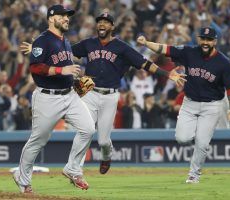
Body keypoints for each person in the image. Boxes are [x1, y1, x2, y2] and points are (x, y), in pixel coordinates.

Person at [20, 12, 186, 175]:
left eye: (106, 22)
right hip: (89, 91)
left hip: (110, 95)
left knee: (103, 141)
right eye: (100, 21)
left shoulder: (122, 47)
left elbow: (144, 63)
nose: (102, 24)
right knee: (85, 130)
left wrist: (167, 73)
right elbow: (65, 54)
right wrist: (38, 50)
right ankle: (75, 170)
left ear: (112, 26)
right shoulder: (89, 44)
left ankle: (107, 155)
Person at [137, 27, 230, 183]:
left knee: (202, 143)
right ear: (199, 39)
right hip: (190, 103)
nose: (205, 42)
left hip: (212, 106)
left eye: (209, 39)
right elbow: (165, 49)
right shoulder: (189, 52)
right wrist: (146, 43)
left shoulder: (223, 62)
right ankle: (199, 136)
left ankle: (194, 174)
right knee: (182, 138)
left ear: (215, 42)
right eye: (203, 38)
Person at [13, 4, 95, 193]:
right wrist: (61, 69)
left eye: (68, 16)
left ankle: (72, 169)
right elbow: (35, 68)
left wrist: (74, 79)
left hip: (70, 95)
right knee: (38, 140)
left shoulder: (64, 41)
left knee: (88, 129)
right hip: (47, 98)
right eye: (62, 16)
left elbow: (58, 63)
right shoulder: (43, 40)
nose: (67, 18)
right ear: (51, 18)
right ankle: (22, 178)